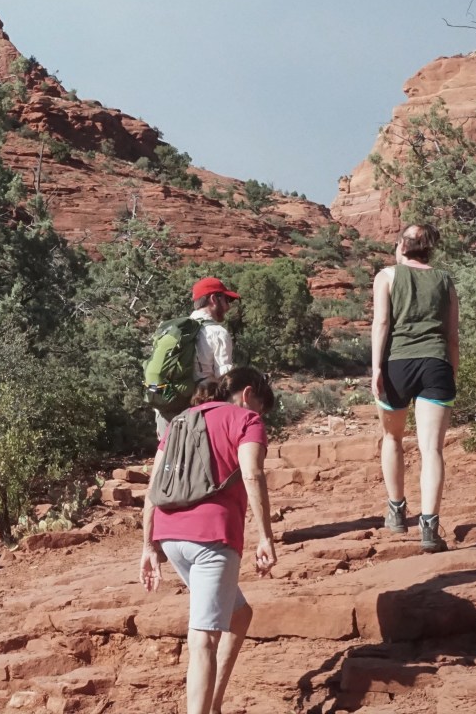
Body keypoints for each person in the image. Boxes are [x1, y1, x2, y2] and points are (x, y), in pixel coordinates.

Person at [141, 367, 277, 714]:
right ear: (248, 394)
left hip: (171, 537)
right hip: (212, 540)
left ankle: (212, 705)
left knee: (239, 615)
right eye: (260, 406)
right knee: (203, 639)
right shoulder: (246, 420)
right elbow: (252, 473)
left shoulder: (180, 422)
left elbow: (153, 487)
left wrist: (148, 546)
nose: (259, 415)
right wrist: (265, 536)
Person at [370, 223, 459, 553]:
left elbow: (381, 323)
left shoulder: (387, 276)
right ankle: (429, 528)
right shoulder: (445, 280)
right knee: (431, 450)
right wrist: (452, 370)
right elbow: (452, 337)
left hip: (397, 365)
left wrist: (376, 367)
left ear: (400, 246)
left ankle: (396, 512)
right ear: (429, 250)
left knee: (392, 436)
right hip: (436, 364)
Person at [155, 276, 240, 439]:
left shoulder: (170, 330)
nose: (229, 306)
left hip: (166, 411)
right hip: (199, 413)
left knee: (168, 463)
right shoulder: (218, 333)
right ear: (214, 299)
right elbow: (225, 380)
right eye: (227, 299)